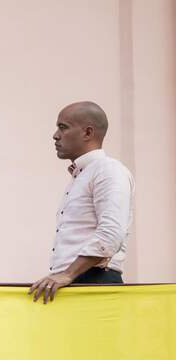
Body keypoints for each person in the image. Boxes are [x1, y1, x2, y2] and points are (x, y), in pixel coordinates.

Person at [29, 101, 134, 303]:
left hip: (94, 281)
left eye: (63, 127)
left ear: (87, 133)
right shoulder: (82, 176)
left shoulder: (108, 171)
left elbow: (111, 234)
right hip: (72, 282)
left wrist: (68, 274)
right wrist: (65, 276)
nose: (55, 135)